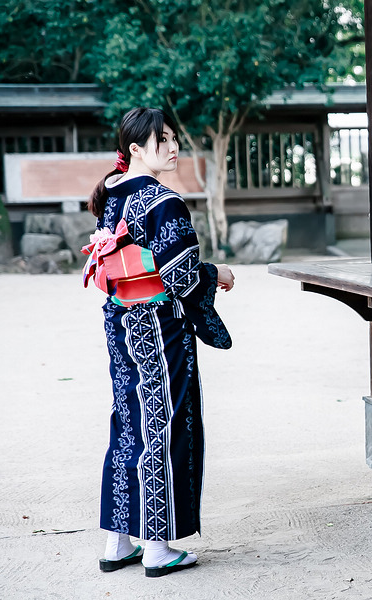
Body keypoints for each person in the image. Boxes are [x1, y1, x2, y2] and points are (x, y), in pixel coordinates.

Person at [86, 107, 235, 577]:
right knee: (162, 426)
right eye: (163, 140)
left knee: (128, 423)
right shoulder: (162, 201)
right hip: (159, 328)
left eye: (174, 139)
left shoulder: (112, 191)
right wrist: (219, 273)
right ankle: (156, 547)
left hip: (121, 322)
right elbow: (183, 278)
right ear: (136, 149)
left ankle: (117, 542)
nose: (173, 148)